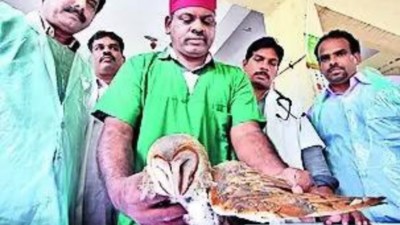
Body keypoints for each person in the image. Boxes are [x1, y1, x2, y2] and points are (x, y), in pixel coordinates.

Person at [92, 0, 313, 224]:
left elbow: (247, 134)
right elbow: (117, 131)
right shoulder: (139, 68)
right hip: (148, 211)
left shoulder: (234, 78)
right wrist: (118, 190)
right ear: (168, 24)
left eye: (207, 21)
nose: (198, 27)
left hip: (213, 214)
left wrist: (278, 175)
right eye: (187, 19)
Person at [0, 0, 105, 224]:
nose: (80, 5)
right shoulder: (9, 27)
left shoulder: (85, 70)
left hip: (58, 207)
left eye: (92, 4)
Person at [310, 29, 400, 222]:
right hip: (356, 218)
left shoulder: (393, 88)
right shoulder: (314, 113)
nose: (332, 61)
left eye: (340, 54)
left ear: (356, 57)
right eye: (325, 58)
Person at [76, 31, 126, 225]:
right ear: (90, 57)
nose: (107, 51)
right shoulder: (78, 92)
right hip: (80, 175)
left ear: (123, 59)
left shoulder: (134, 95)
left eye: (114, 48)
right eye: (100, 48)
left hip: (120, 177)